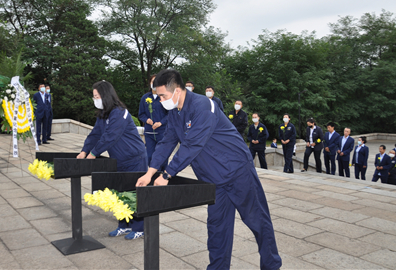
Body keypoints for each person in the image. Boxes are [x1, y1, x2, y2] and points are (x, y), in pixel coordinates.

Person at [136, 69, 282, 270]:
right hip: (214, 179)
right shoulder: (175, 113)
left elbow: (192, 145)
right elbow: (166, 142)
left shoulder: (202, 106)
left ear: (178, 90)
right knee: (217, 228)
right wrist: (150, 172)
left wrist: (167, 174)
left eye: (163, 96)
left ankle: (272, 265)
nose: (160, 100)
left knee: (257, 221)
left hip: (237, 171)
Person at [77, 80, 148, 240]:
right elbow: (95, 134)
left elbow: (111, 136)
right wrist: (84, 151)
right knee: (119, 192)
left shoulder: (120, 112)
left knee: (134, 193)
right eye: (93, 96)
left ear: (105, 95)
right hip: (119, 159)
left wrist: (94, 153)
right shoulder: (103, 115)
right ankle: (123, 225)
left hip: (135, 158)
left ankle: (139, 227)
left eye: (97, 96)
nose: (95, 99)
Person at [138, 74, 168, 170]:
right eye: (152, 82)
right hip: (149, 132)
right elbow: (141, 114)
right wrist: (146, 120)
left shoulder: (165, 97)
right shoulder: (145, 97)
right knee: (149, 155)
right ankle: (153, 173)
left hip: (162, 132)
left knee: (162, 155)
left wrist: (161, 122)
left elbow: (170, 114)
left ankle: (163, 174)